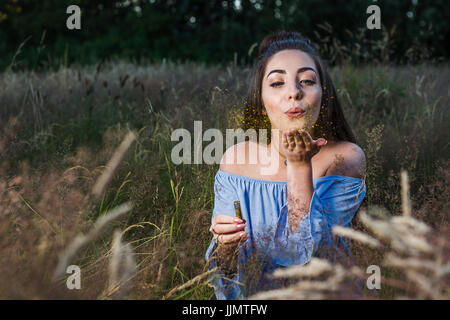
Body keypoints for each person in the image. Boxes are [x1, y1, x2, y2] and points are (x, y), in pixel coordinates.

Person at [205, 30, 367, 300]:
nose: (293, 92)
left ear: (323, 94)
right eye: (277, 83)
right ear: (260, 99)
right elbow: (224, 273)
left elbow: (307, 259)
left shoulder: (345, 157)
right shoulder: (236, 160)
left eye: (307, 80)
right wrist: (224, 245)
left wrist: (299, 167)